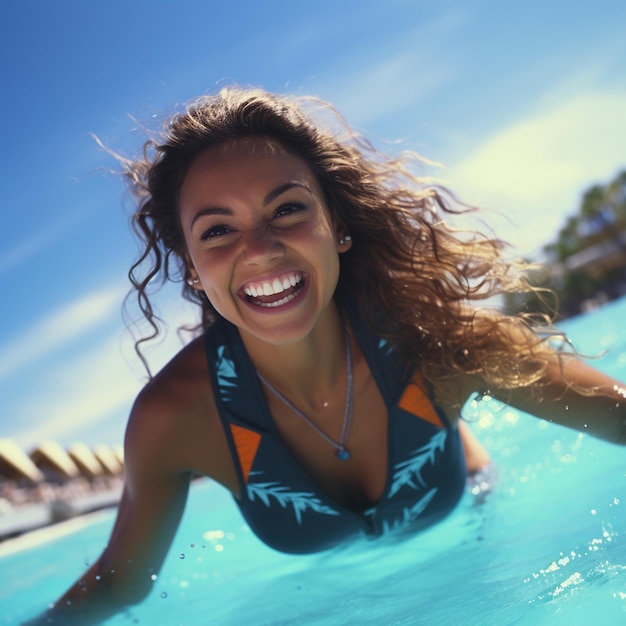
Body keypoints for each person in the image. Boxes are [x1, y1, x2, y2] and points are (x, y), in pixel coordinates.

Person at [28, 87, 625, 624]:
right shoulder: (176, 419)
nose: (260, 250)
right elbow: (117, 588)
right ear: (191, 267)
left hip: (476, 499)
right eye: (217, 231)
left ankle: (461, 440)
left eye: (287, 209)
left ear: (336, 223)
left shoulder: (441, 341)